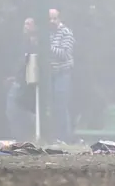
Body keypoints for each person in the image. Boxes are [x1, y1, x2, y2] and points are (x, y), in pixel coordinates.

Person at [6, 18, 37, 139]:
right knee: (13, 110)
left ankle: (30, 135)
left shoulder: (35, 43)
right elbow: (20, 62)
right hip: (18, 80)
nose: (26, 26)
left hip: (28, 83)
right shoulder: (22, 43)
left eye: (29, 24)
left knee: (19, 109)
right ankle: (20, 137)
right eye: (24, 23)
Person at [49, 8, 75, 144]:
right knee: (52, 106)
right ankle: (54, 137)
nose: (52, 21)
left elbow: (65, 54)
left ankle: (64, 137)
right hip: (50, 75)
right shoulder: (47, 33)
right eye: (50, 18)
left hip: (62, 74)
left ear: (59, 19)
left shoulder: (66, 33)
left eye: (55, 18)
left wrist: (47, 47)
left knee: (61, 105)